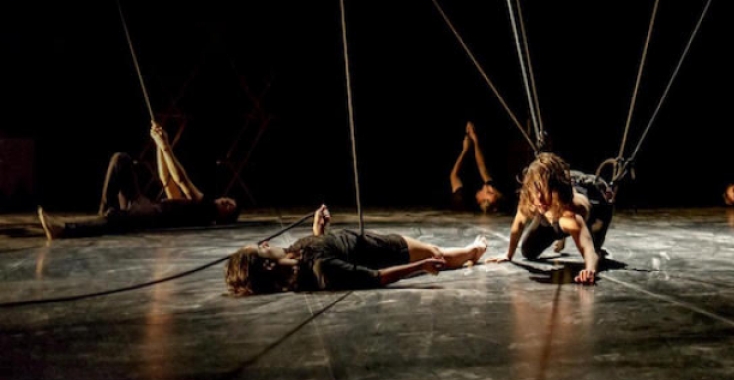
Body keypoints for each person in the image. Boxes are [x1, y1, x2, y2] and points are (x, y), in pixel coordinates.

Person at [38, 121, 240, 239]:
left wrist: (165, 146)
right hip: (147, 207)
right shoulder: (195, 208)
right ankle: (102, 215)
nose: (226, 202)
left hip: (152, 216)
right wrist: (159, 146)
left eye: (229, 207)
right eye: (228, 200)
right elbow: (168, 180)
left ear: (223, 219)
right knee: (121, 160)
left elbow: (182, 181)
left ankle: (64, 230)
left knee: (116, 219)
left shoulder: (206, 211)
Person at [224, 205, 488, 295]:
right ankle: (473, 252)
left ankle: (469, 253)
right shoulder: (320, 271)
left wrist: (319, 230)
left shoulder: (294, 253)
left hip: (371, 242)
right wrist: (420, 266)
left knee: (434, 252)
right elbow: (376, 278)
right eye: (261, 248)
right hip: (386, 252)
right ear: (267, 265)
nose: (266, 243)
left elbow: (323, 250)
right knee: (436, 253)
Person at [487, 151, 615, 285]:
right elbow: (519, 223)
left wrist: (589, 270)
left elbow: (589, 250)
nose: (539, 198)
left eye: (544, 191)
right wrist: (508, 255)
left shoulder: (571, 215)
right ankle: (560, 233)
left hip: (597, 210)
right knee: (528, 252)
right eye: (536, 192)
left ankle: (566, 234)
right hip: (554, 214)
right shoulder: (532, 200)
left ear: (555, 191)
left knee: (596, 254)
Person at [449, 121, 504, 213]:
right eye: (493, 190)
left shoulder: (463, 199)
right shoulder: (488, 187)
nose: (490, 188)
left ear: (481, 201)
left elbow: (453, 176)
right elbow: (482, 167)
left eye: (489, 192)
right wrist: (475, 140)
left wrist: (464, 151)